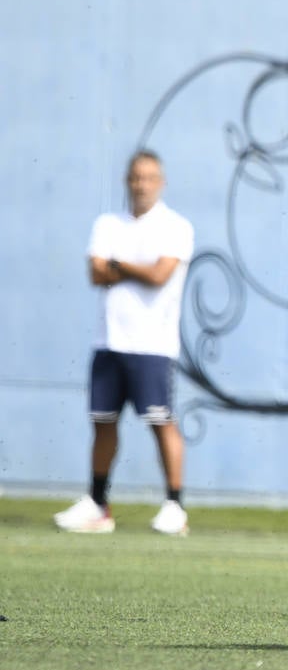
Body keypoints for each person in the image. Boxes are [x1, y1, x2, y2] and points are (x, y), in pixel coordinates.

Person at [56, 150, 195, 536]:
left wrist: (119, 265)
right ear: (127, 180)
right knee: (102, 423)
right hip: (109, 342)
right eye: (136, 177)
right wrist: (130, 268)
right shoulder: (107, 223)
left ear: (161, 182)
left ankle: (174, 506)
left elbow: (159, 275)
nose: (141, 184)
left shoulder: (175, 226)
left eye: (149, 177)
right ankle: (98, 505)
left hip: (152, 345)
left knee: (160, 421)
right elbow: (96, 273)